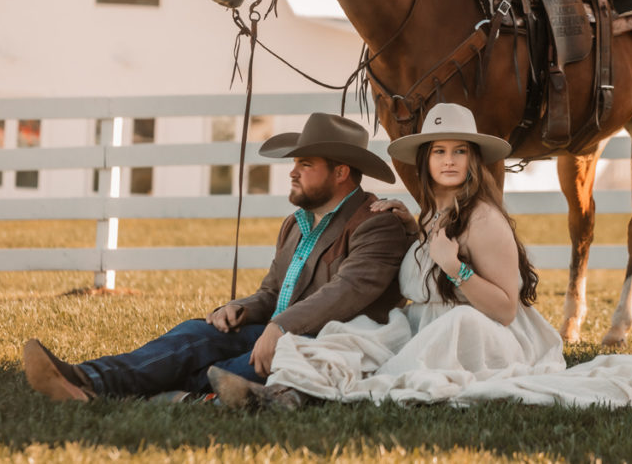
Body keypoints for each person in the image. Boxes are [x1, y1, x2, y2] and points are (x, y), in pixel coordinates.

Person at [207, 103, 632, 410]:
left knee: (441, 336)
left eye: (460, 151)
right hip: (429, 326)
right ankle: (278, 390)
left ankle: (294, 400)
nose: (450, 160)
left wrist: (454, 266)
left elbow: (504, 305)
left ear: (475, 162)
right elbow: (413, 271)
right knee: (354, 332)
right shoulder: (427, 215)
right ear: (427, 163)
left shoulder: (483, 219)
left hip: (487, 335)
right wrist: (413, 224)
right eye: (439, 152)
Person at [22, 112, 416, 402]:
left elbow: (345, 294)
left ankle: (129, 393)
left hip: (326, 345)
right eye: (294, 163)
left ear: (341, 171)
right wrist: (241, 308)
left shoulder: (375, 224)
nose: (292, 173)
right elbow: (273, 290)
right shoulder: (296, 225)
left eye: (305, 164)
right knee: (196, 334)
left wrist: (278, 328)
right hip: (277, 333)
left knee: (222, 371)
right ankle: (87, 378)